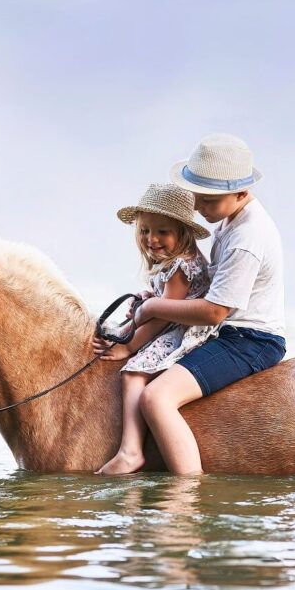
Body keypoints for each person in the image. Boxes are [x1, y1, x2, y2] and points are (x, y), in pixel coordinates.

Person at [132, 134, 287, 475]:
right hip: (225, 331)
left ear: (241, 193)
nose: (199, 209)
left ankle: (188, 491)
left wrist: (154, 308)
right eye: (197, 198)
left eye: (207, 202)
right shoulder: (229, 220)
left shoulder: (247, 238)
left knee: (157, 398)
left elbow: (216, 310)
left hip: (248, 340)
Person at [93, 183, 217, 475]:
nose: (152, 239)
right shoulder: (174, 262)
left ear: (183, 234)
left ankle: (130, 451)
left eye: (163, 231)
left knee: (134, 371)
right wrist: (147, 302)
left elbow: (162, 317)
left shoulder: (180, 267)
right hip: (176, 323)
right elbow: (164, 304)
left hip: (186, 331)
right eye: (145, 231)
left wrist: (129, 345)